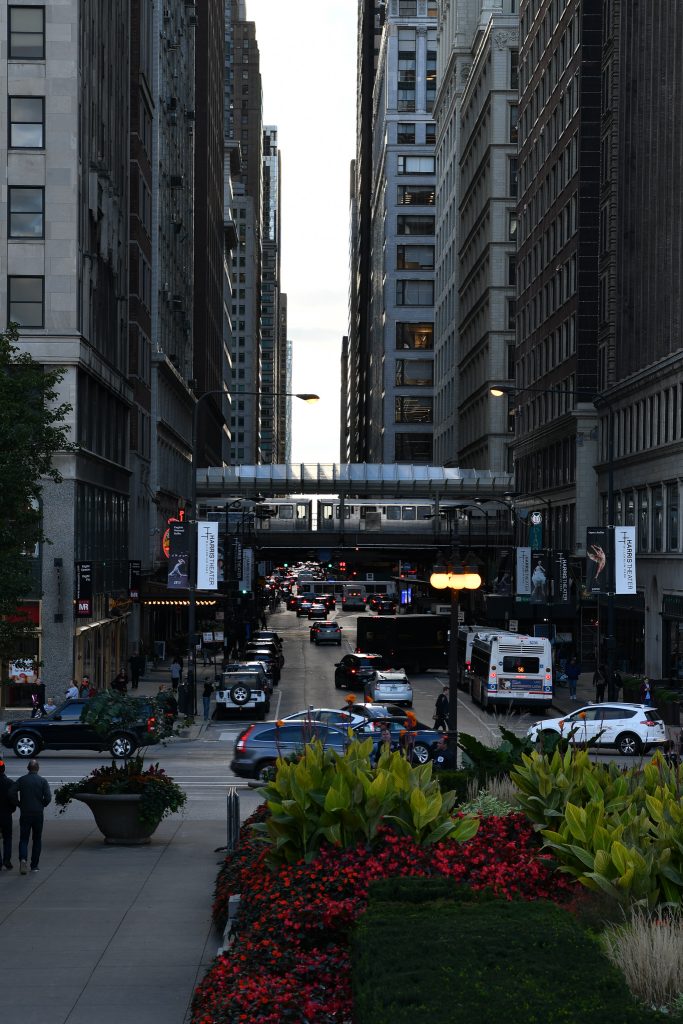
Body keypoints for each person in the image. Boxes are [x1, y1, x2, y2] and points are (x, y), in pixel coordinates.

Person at [11, 759, 51, 874]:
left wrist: (18, 803)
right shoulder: (42, 781)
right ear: (37, 768)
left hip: (25, 813)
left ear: (28, 768)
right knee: (37, 839)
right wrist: (42, 804)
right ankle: (34, 866)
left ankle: (23, 859)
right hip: (38, 813)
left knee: (24, 838)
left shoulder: (22, 780)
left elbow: (11, 792)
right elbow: (48, 797)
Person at [0, 760, 17, 870]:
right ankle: (7, 860)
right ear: (4, 769)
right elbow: (13, 799)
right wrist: (11, 809)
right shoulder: (10, 783)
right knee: (7, 838)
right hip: (6, 814)